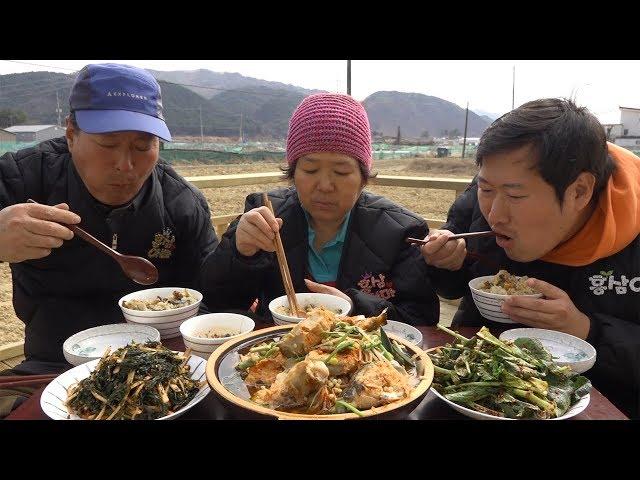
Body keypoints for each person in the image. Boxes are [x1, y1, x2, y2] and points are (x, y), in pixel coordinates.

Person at [421, 97, 640, 418]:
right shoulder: (489, 191)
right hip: (474, 392)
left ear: (579, 191)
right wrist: (446, 263)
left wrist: (587, 330)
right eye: (485, 189)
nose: (494, 215)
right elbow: (454, 285)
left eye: (516, 195)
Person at [0, 63, 218, 376]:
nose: (125, 165)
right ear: (71, 134)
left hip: (159, 366)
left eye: (143, 145)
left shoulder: (181, 203)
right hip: (51, 364)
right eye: (108, 143)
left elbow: (209, 294)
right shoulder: (22, 177)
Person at [199, 93, 439, 325]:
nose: (325, 186)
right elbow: (218, 303)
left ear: (363, 178)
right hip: (274, 355)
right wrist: (240, 254)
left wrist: (357, 308)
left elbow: (421, 319)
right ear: (293, 173)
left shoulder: (400, 232)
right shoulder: (266, 214)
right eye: (310, 170)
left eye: (342, 172)